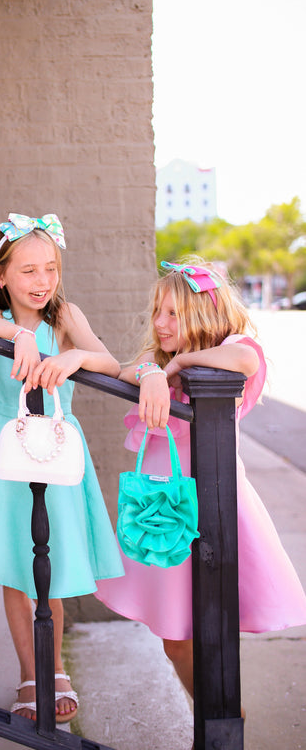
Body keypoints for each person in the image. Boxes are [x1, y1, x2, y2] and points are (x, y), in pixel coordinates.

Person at [0, 212, 124, 722]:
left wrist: (76, 356)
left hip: (55, 448)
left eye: (51, 269)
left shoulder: (65, 318)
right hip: (7, 451)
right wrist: (17, 336)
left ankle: (54, 665)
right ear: (1, 276)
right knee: (18, 567)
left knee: (49, 565)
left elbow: (112, 364)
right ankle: (29, 672)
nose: (42, 282)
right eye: (29, 271)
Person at [95, 258, 306, 709]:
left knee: (214, 623)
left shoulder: (229, 348)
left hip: (212, 503)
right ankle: (216, 717)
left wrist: (184, 362)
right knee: (177, 637)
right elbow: (124, 369)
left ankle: (224, 719)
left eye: (173, 313)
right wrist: (153, 372)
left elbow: (246, 359)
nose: (160, 323)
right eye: (158, 312)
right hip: (166, 508)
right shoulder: (159, 358)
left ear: (201, 313)